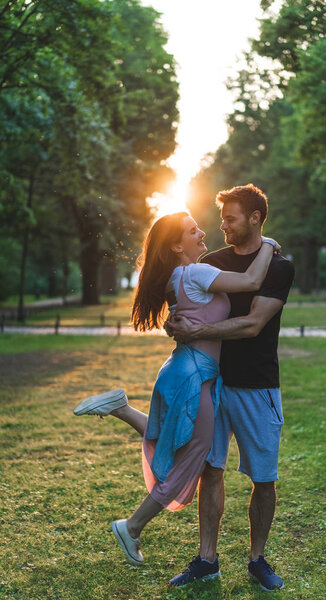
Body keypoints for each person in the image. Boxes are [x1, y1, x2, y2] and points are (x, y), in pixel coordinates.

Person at [73, 209, 279, 570]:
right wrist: (269, 245)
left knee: (172, 438)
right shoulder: (196, 272)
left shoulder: (175, 277)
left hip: (180, 370)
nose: (202, 233)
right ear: (175, 245)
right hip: (195, 377)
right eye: (192, 230)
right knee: (191, 458)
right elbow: (250, 282)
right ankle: (132, 526)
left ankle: (121, 407)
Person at [166, 184, 295, 592]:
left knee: (264, 478)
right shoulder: (212, 261)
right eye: (222, 218)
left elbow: (254, 323)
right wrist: (176, 322)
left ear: (255, 218)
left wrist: (198, 330)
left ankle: (257, 559)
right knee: (211, 470)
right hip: (214, 382)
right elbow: (187, 306)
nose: (222, 225)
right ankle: (207, 559)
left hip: (258, 385)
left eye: (231, 218)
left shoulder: (278, 266)